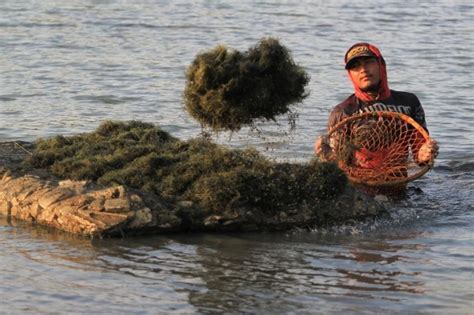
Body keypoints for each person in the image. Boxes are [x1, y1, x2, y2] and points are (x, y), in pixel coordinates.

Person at [315, 42, 438, 166]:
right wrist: (328, 156)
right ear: (350, 75)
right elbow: (339, 162)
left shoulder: (409, 102)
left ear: (381, 65)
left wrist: (425, 153)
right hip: (357, 182)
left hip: (398, 181)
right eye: (356, 66)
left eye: (368, 62)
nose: (363, 70)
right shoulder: (342, 112)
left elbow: (420, 156)